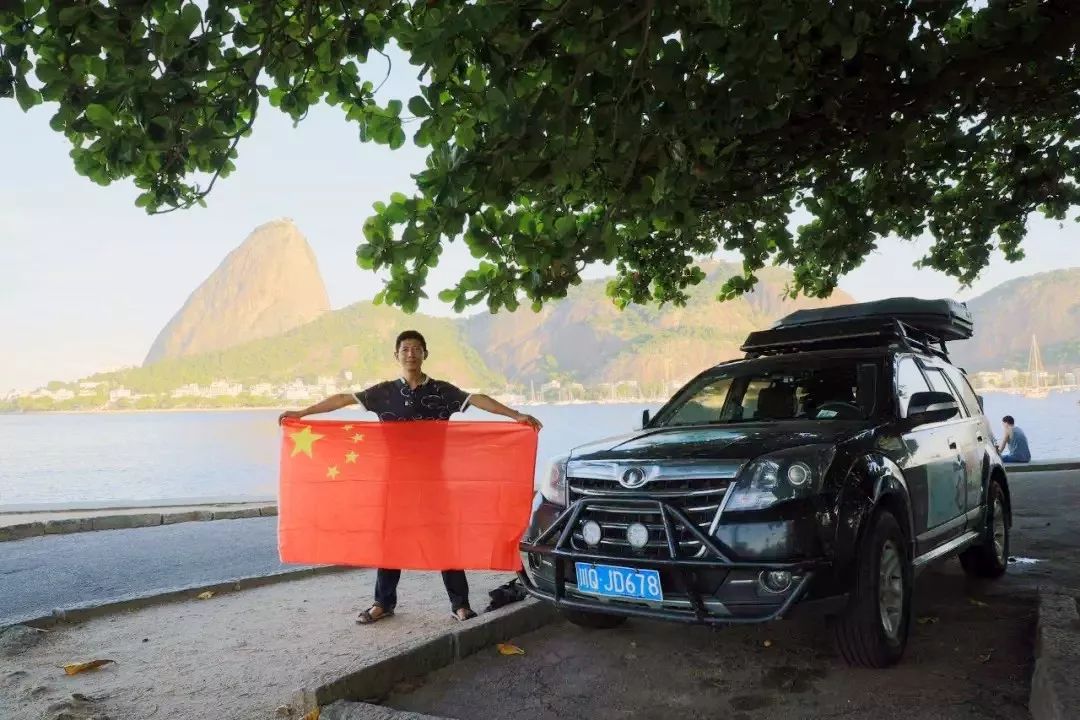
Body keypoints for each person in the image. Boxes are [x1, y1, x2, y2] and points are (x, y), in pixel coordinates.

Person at [277, 329, 543, 624]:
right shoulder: (385, 393)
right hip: (396, 482)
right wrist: (303, 413)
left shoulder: (441, 391)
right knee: (391, 542)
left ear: (425, 354)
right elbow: (342, 399)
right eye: (405, 349)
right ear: (397, 355)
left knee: (444, 541)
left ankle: (461, 605)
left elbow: (477, 399)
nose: (411, 354)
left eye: (416, 349)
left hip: (433, 481)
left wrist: (515, 415)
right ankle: (383, 603)